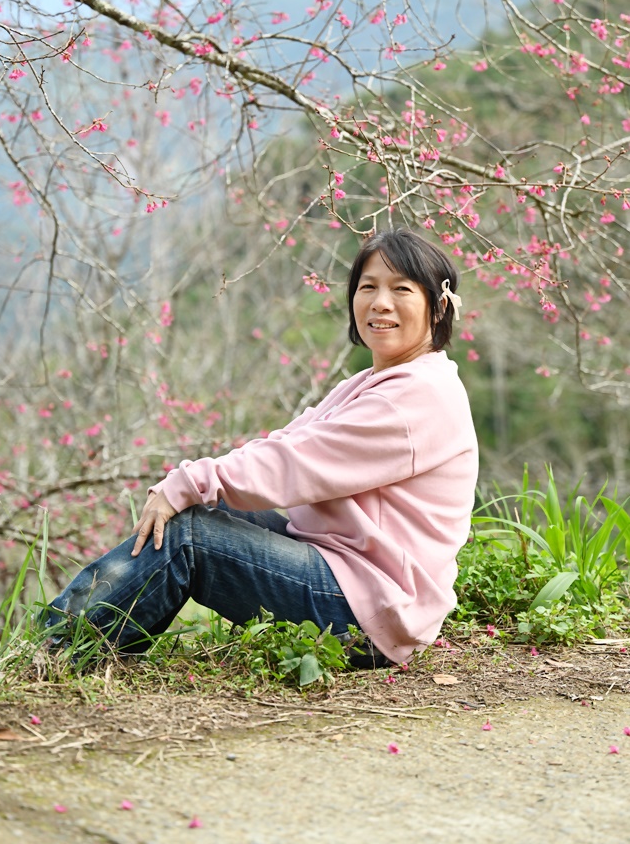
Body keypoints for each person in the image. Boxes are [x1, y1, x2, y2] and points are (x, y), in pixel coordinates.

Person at [44, 229, 479, 667]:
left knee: (188, 535)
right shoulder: (373, 384)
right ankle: (91, 643)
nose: (380, 303)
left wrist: (190, 481)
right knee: (199, 513)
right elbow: (287, 441)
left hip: (368, 611)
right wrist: (190, 485)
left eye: (401, 289)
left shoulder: (414, 399)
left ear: (438, 307)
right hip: (351, 577)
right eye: (368, 287)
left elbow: (296, 464)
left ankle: (57, 648)